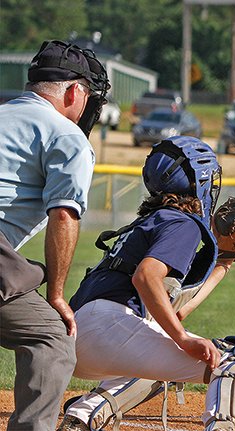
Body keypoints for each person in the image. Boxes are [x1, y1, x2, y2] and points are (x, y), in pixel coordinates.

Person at [57, 137, 235, 431]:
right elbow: (146, 277)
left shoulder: (152, 222)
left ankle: (84, 415)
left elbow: (172, 314)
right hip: (107, 329)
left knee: (158, 357)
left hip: (76, 340)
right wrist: (183, 339)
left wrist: (221, 266)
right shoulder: (183, 223)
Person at [0, 39, 109, 431]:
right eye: (90, 95)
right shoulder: (65, 133)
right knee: (51, 336)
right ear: (74, 91)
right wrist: (57, 295)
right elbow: (64, 213)